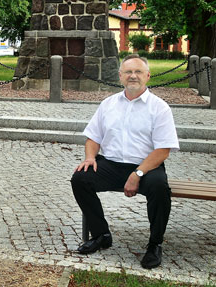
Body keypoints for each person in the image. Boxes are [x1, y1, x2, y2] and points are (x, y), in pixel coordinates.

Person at [71, 54, 179, 269]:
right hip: (110, 163)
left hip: (147, 166)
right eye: (128, 72)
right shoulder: (108, 104)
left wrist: (137, 174)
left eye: (138, 72)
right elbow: (93, 136)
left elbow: (163, 149)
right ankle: (101, 235)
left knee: (159, 188)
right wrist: (90, 157)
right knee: (80, 179)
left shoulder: (159, 108)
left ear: (147, 76)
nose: (133, 76)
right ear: (120, 76)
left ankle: (155, 244)